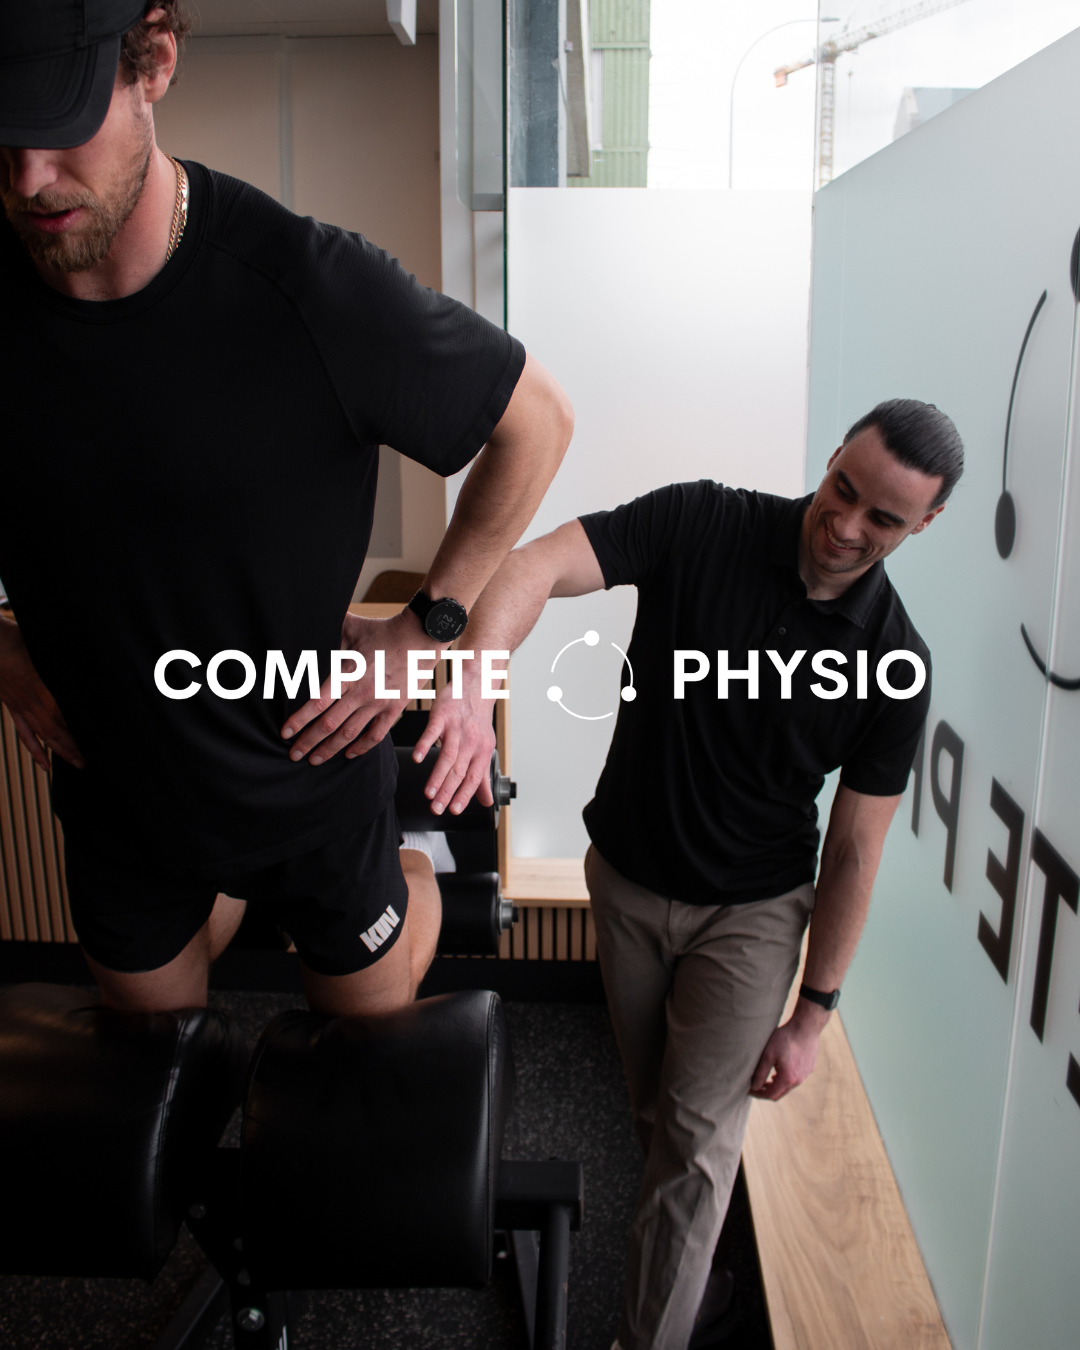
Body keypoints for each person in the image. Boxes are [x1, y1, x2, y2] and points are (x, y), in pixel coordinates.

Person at [0, 2, 572, 1018]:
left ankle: (414, 874)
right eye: (1, 140)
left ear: (155, 61)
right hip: (119, 789)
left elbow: (537, 423)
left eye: (60, 125)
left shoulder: (309, 287)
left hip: (308, 773)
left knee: (368, 1034)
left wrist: (425, 631)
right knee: (151, 1053)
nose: (29, 177)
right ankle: (219, 892)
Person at [425, 399, 963, 1349]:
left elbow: (853, 849)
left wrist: (813, 1013)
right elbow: (534, 564)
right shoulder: (703, 519)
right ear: (833, 455)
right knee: (658, 1116)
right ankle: (694, 1283)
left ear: (925, 525)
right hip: (627, 881)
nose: (846, 526)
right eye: (843, 489)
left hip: (754, 914)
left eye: (883, 518)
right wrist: (473, 685)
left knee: (695, 1146)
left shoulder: (895, 664)